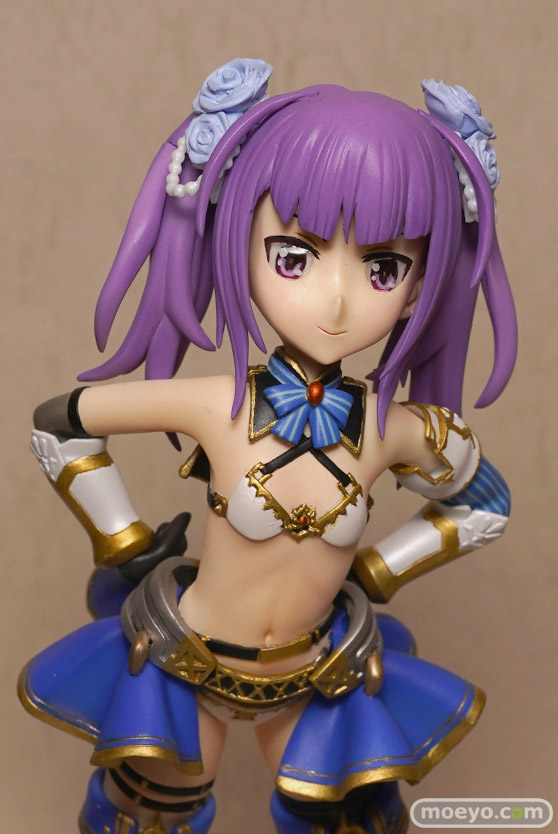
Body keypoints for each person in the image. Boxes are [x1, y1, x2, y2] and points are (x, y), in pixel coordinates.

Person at [20, 59, 517, 834]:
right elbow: (61, 422)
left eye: (383, 267)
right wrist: (126, 543)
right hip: (185, 661)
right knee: (149, 813)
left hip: (317, 674)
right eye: (295, 257)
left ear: (421, 285)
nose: (336, 299)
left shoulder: (396, 428)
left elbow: (485, 504)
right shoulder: (217, 404)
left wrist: (382, 569)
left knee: (344, 815)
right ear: (239, 240)